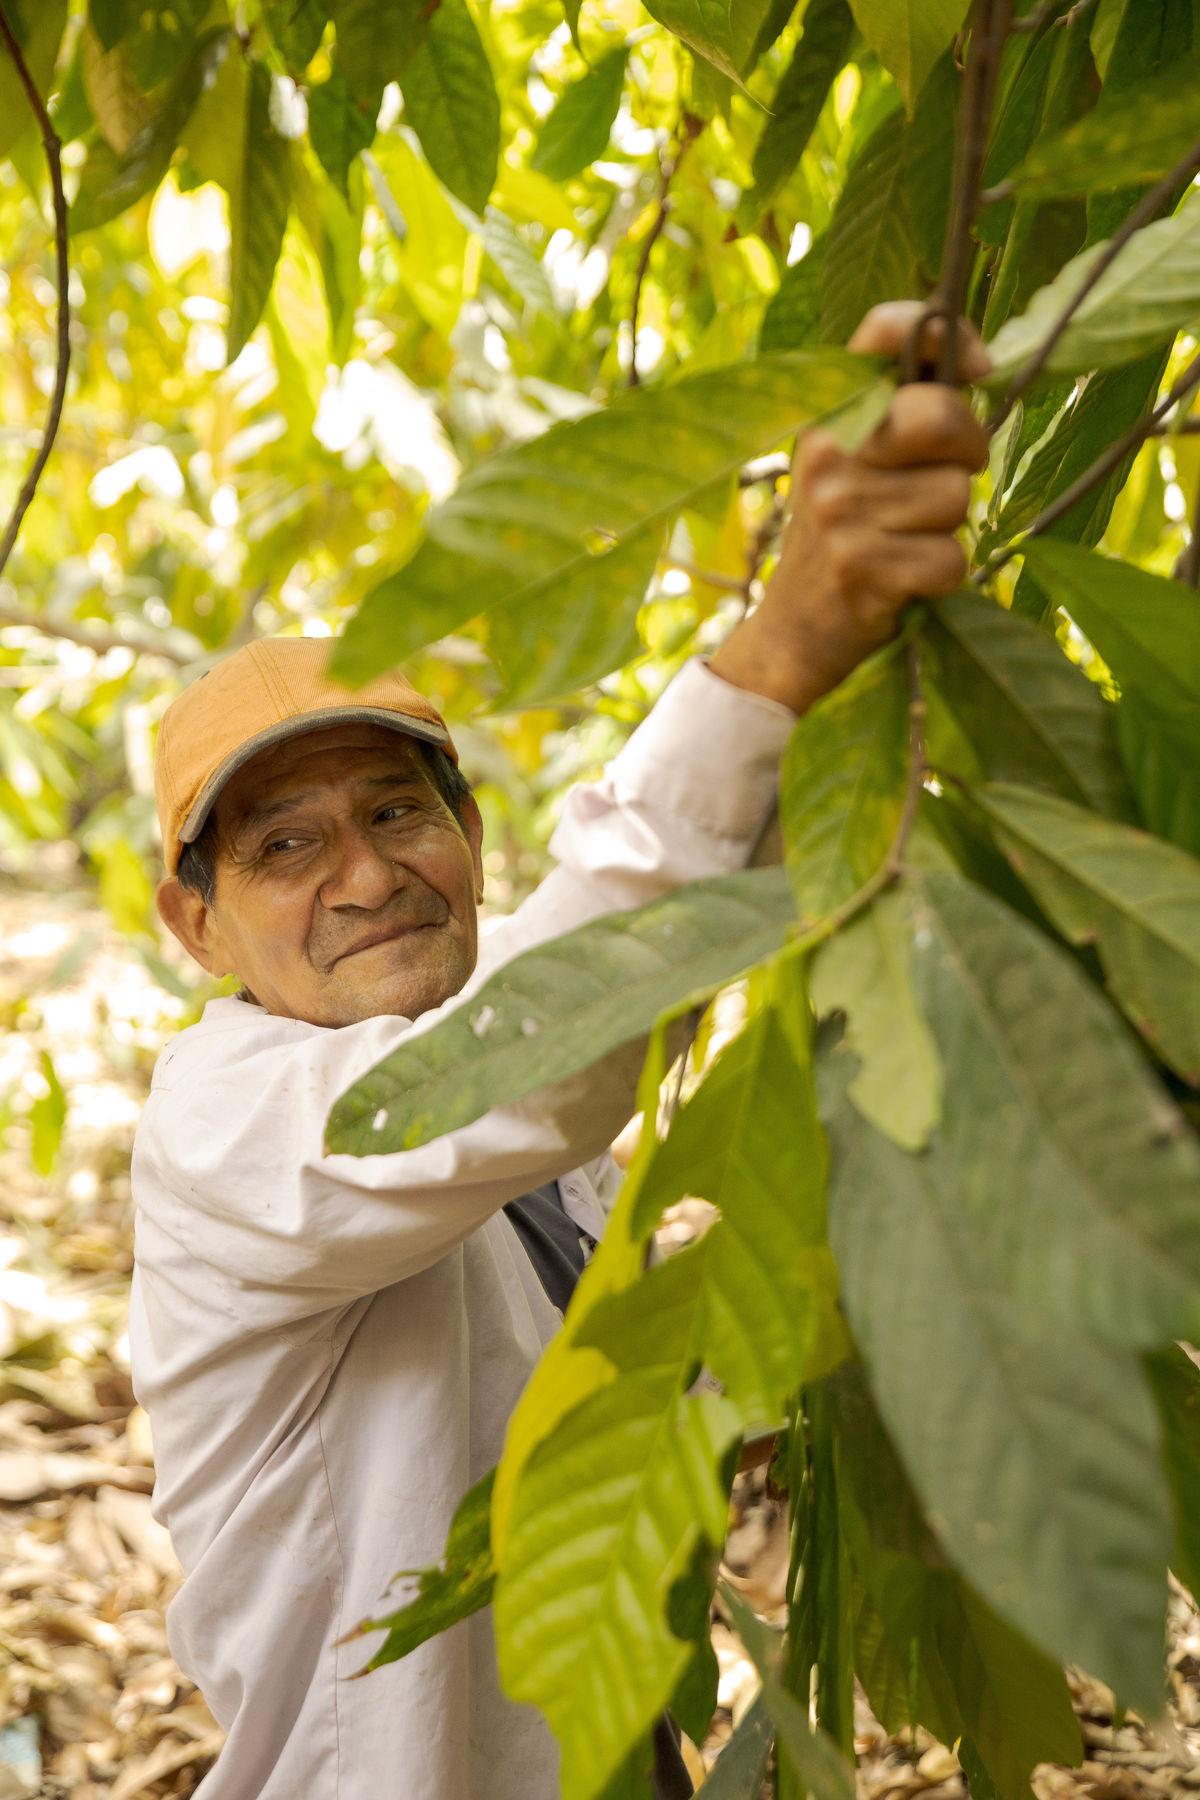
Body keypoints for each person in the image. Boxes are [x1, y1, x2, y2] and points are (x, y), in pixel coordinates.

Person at [131, 304, 989, 1800]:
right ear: (196, 925)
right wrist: (780, 640)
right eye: (285, 846)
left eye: (398, 813)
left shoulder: (534, 1124)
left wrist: (859, 646)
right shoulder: (228, 1132)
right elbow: (540, 1048)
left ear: (471, 836)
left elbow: (687, 926)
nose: (363, 876)